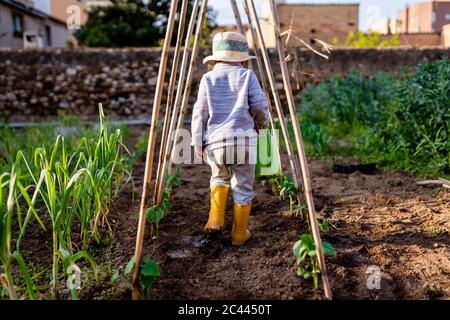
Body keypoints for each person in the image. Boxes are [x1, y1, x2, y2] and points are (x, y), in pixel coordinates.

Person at [191, 32, 269, 246]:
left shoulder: (208, 78)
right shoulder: (247, 75)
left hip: (216, 142)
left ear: (215, 58)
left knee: (219, 177)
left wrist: (198, 141)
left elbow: (200, 112)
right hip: (244, 141)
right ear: (242, 59)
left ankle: (215, 219)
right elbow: (260, 106)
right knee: (243, 186)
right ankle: (239, 234)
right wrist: (263, 122)